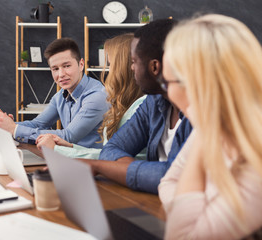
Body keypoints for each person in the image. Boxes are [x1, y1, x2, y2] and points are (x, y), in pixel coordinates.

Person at [158, 14, 262, 239]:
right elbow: (167, 182)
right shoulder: (217, 128)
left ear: (196, 84)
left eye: (166, 82)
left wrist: (206, 130)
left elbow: (182, 236)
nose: (167, 92)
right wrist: (198, 208)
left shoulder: (255, 161)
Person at [74, 19, 193, 195]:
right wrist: (141, 172)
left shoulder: (200, 111)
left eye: (134, 61)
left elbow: (175, 177)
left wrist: (102, 167)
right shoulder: (153, 102)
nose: (131, 68)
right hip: (153, 198)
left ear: (154, 67)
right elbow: (112, 149)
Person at [35, 33, 146, 159]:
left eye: (110, 65)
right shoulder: (126, 104)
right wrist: (70, 147)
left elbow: (116, 159)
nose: (107, 72)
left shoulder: (139, 108)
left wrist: (58, 150)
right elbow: (110, 153)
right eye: (55, 69)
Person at [0, 38, 109, 148]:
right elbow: (38, 124)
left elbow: (68, 136)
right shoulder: (61, 95)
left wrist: (14, 128)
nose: (61, 74)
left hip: (94, 166)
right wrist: (2, 123)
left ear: (81, 64)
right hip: (68, 158)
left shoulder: (97, 96)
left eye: (66, 66)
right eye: (55, 69)